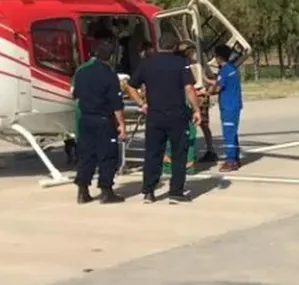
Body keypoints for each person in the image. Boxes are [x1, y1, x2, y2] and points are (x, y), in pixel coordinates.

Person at [125, 32, 201, 204]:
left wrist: (141, 103)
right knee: (178, 153)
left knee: (153, 154)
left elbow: (130, 86)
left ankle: (149, 191)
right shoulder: (182, 63)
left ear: (158, 45)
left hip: (154, 116)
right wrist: (196, 110)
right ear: (175, 47)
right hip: (177, 115)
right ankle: (176, 192)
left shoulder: (147, 63)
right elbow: (189, 88)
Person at [71, 36, 127, 204]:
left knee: (86, 155)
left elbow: (75, 95)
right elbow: (116, 104)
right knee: (107, 155)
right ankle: (106, 190)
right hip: (103, 120)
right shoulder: (109, 75)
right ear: (110, 57)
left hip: (85, 119)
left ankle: (82, 190)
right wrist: (122, 125)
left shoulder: (81, 71)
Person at [180, 41, 219, 164]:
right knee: (202, 125)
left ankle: (191, 153)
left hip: (194, 96)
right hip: (199, 96)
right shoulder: (196, 65)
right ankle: (208, 149)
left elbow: (204, 80)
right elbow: (207, 79)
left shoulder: (190, 66)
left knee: (192, 126)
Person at [215, 44, 243, 172]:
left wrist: (207, 91)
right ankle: (235, 158)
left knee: (228, 134)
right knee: (232, 133)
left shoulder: (224, 70)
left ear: (218, 57)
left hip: (228, 106)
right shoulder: (232, 69)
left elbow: (217, 88)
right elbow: (220, 83)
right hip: (234, 105)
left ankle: (230, 161)